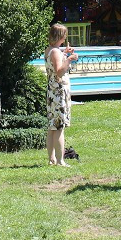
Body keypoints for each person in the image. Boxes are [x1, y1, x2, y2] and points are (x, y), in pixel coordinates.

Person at [44, 23, 77, 166]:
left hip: (52, 91)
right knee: (59, 127)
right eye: (64, 35)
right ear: (60, 36)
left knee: (52, 127)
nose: (65, 38)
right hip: (58, 91)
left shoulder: (50, 50)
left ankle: (52, 158)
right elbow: (59, 71)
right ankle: (60, 160)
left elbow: (55, 58)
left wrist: (64, 53)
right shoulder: (56, 52)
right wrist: (69, 59)